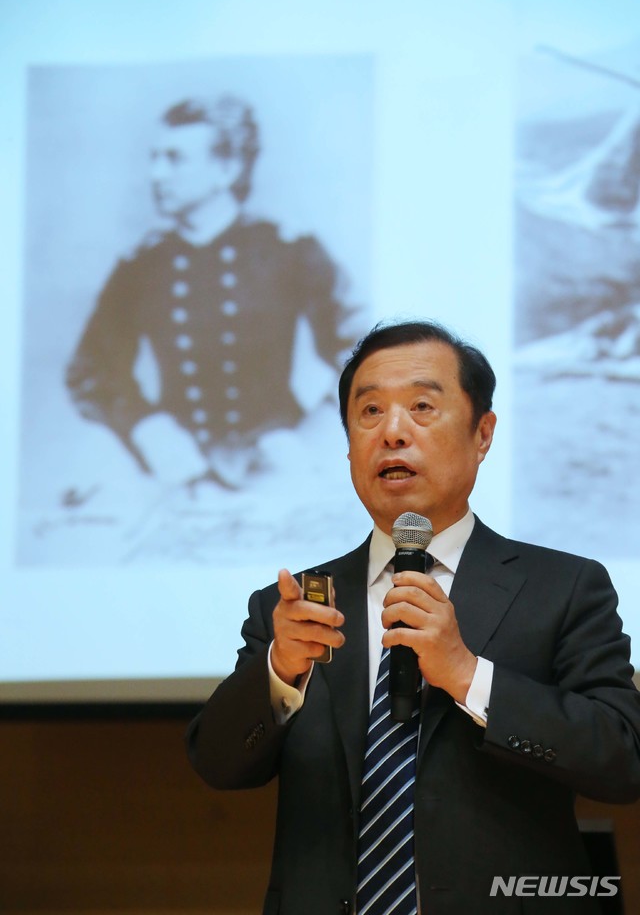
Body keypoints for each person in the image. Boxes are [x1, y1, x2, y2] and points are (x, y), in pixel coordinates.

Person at [186, 319, 640, 913]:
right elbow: (219, 763)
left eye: (421, 406)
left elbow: (622, 762)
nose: (392, 432)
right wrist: (280, 672)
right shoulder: (298, 604)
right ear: (349, 444)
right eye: (369, 411)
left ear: (483, 433)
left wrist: (466, 675)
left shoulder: (564, 588)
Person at [66, 95, 358, 489]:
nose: (156, 174)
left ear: (226, 168)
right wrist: (147, 428)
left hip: (280, 462)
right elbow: (91, 371)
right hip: (177, 466)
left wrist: (317, 434)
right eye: (154, 158)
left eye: (174, 159)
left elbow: (367, 351)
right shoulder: (141, 265)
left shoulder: (288, 249)